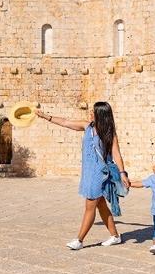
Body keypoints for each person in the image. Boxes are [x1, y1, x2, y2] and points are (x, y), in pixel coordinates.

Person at [36, 101, 130, 250]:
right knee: (101, 205)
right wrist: (45, 116)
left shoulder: (109, 133)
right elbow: (65, 122)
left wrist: (122, 173)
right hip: (88, 172)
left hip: (100, 174)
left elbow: (116, 154)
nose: (90, 113)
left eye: (93, 111)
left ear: (101, 115)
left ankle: (79, 240)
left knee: (89, 206)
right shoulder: (87, 126)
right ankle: (115, 236)